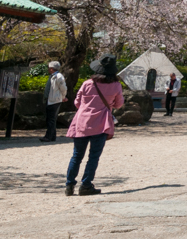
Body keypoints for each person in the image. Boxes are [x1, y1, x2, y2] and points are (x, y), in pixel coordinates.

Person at [64, 55, 125, 196]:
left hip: (82, 122)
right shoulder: (116, 85)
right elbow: (119, 104)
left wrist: (87, 107)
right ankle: (86, 185)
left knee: (77, 155)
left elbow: (77, 102)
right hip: (101, 123)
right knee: (93, 156)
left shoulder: (87, 83)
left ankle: (69, 185)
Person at [41, 61, 67, 142]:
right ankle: (52, 136)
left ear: (52, 69)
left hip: (54, 100)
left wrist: (63, 97)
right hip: (51, 99)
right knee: (51, 119)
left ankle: (48, 136)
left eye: (49, 68)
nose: (48, 69)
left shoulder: (58, 76)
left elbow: (63, 88)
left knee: (51, 119)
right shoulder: (53, 76)